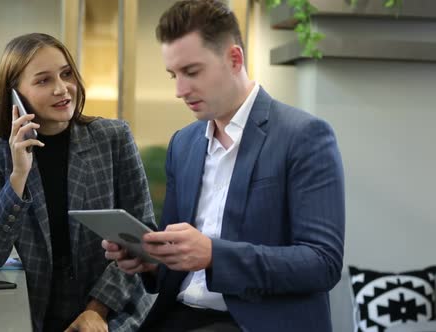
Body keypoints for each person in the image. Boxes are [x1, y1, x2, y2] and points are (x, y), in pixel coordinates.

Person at [103, 1, 345, 331]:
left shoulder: (304, 136)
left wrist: (214, 254)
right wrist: (150, 261)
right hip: (178, 315)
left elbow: (322, 264)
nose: (179, 90)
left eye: (192, 72)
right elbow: (177, 264)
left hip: (255, 322)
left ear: (234, 59)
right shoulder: (183, 144)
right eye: (174, 75)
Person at [0, 33, 156, 332]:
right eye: (43, 80)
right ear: (16, 94)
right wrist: (18, 176)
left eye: (66, 74)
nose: (62, 89)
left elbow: (141, 240)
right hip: (36, 316)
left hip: (113, 313)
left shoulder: (113, 138)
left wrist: (97, 310)